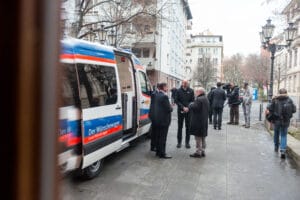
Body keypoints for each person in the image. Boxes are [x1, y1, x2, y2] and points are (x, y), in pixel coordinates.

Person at [266, 88, 296, 159]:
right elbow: (294, 110)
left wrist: (272, 100)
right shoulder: (289, 100)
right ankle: (282, 150)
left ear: (279, 93)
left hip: (277, 121)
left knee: (276, 133)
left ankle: (276, 147)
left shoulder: (275, 100)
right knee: (283, 135)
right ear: (286, 93)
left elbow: (269, 108)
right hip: (285, 121)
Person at [153, 82, 173, 159]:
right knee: (163, 137)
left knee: (158, 136)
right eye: (167, 87)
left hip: (158, 119)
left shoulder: (157, 95)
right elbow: (169, 109)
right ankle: (162, 153)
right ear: (164, 87)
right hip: (164, 120)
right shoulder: (164, 96)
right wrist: (171, 107)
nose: (167, 88)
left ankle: (158, 152)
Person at [189, 87, 209, 158]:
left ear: (199, 92)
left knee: (198, 137)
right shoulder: (205, 98)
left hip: (198, 121)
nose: (195, 93)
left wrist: (190, 104)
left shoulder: (199, 99)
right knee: (203, 137)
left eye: (196, 92)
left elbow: (195, 107)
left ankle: (198, 152)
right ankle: (203, 151)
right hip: (204, 120)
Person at [175, 80, 194, 148]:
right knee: (180, 127)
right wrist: (183, 107)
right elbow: (176, 101)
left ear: (188, 84)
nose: (185, 84)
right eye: (184, 83)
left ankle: (187, 143)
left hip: (189, 111)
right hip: (180, 111)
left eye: (186, 83)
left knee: (188, 127)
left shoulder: (191, 91)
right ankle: (179, 142)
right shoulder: (178, 91)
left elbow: (192, 101)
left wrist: (188, 107)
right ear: (182, 83)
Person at [149, 83, 160, 152]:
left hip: (156, 115)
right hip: (154, 115)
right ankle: (153, 146)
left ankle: (154, 146)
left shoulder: (156, 93)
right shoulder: (155, 94)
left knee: (155, 131)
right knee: (155, 132)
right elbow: (155, 106)